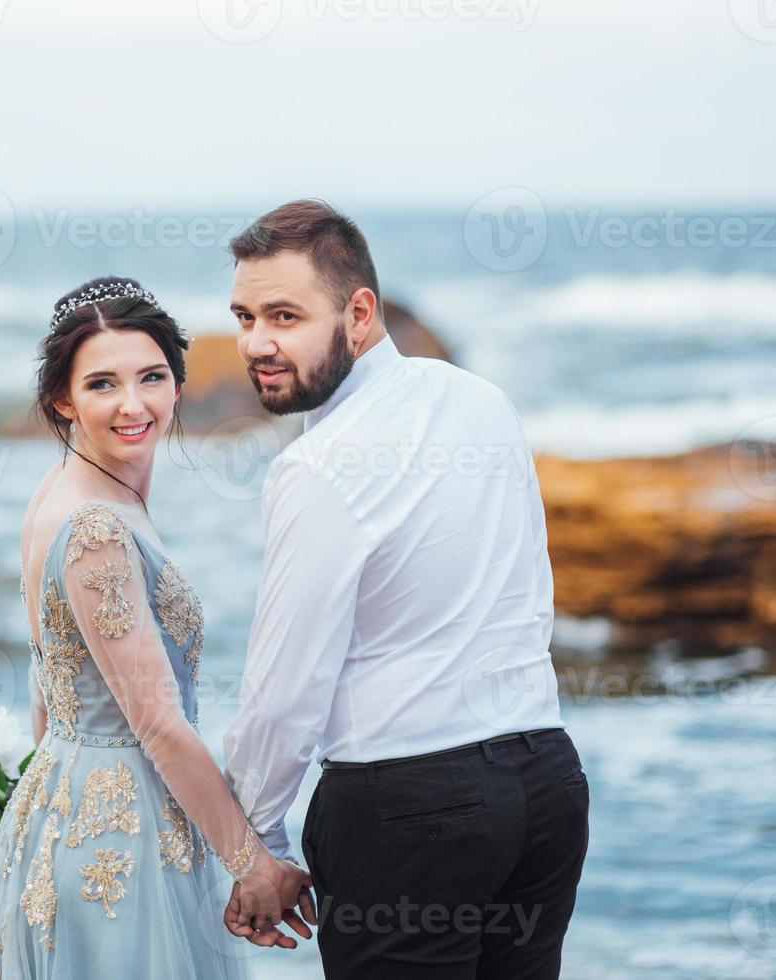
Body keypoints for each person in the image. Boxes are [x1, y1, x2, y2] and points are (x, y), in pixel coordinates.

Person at [221, 200, 590, 979]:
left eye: (284, 316)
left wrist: (256, 844)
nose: (256, 343)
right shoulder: (481, 400)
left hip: (409, 809)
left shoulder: (315, 467)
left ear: (360, 312)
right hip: (548, 785)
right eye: (245, 316)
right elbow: (534, 598)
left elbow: (284, 687)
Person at [0, 276, 313, 979]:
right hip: (121, 846)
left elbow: (46, 684)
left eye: (152, 377)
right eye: (102, 385)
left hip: (69, 806)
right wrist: (252, 865)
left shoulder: (62, 491)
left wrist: (48, 816)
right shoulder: (96, 529)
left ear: (179, 384)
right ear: (62, 400)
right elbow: (158, 723)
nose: (133, 404)